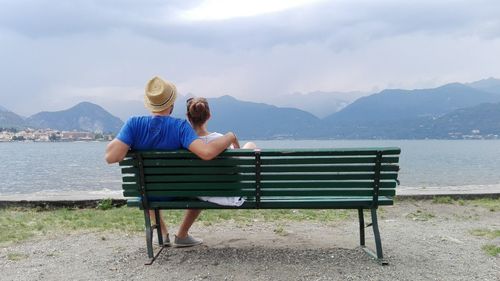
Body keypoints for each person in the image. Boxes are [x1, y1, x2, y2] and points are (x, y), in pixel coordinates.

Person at [105, 76, 239, 248]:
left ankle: (162, 233)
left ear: (149, 103)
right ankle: (182, 235)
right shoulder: (180, 127)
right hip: (179, 190)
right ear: (172, 102)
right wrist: (230, 136)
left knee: (145, 187)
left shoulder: (133, 124)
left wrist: (129, 143)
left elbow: (110, 157)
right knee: (201, 184)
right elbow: (207, 153)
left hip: (148, 193)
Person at [186, 97, 257, 206]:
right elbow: (237, 165)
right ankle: (251, 192)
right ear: (209, 116)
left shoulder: (187, 143)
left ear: (188, 117)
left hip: (200, 193)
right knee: (250, 145)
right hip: (226, 194)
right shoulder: (220, 139)